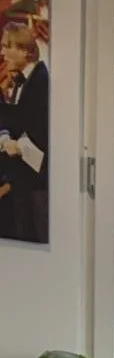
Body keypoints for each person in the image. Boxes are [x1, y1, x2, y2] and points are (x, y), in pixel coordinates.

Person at [0, 16, 49, 244]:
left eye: (6, 46)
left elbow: (39, 132)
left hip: (35, 185)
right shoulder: (24, 81)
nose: (2, 53)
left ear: (24, 51)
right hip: (23, 183)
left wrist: (14, 145)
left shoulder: (40, 81)